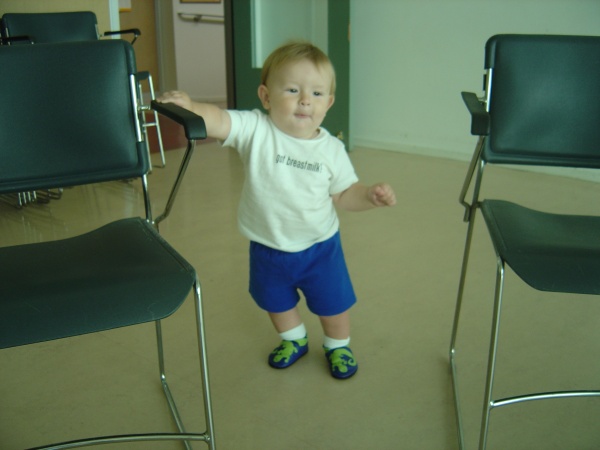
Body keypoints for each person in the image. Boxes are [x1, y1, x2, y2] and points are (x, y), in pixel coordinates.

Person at [158, 41, 396, 379]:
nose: (305, 100)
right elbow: (219, 120)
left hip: (319, 248)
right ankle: (294, 339)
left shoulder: (331, 149)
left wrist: (369, 196)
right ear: (266, 97)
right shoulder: (256, 129)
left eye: (316, 93)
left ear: (328, 103)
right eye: (293, 90)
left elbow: (344, 194)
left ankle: (337, 345)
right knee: (275, 302)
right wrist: (192, 106)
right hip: (267, 246)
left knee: (333, 303)